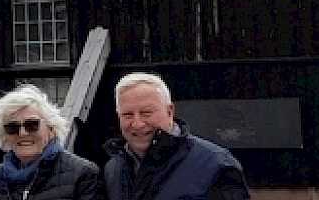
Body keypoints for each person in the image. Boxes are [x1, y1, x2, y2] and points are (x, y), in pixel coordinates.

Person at [102, 73, 248, 200]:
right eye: (127, 115)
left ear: (170, 111)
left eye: (146, 113)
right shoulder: (113, 169)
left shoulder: (217, 166)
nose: (138, 123)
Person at [0, 84, 101, 200]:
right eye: (12, 127)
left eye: (32, 124)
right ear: (4, 135)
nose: (22, 133)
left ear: (51, 129)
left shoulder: (83, 174)